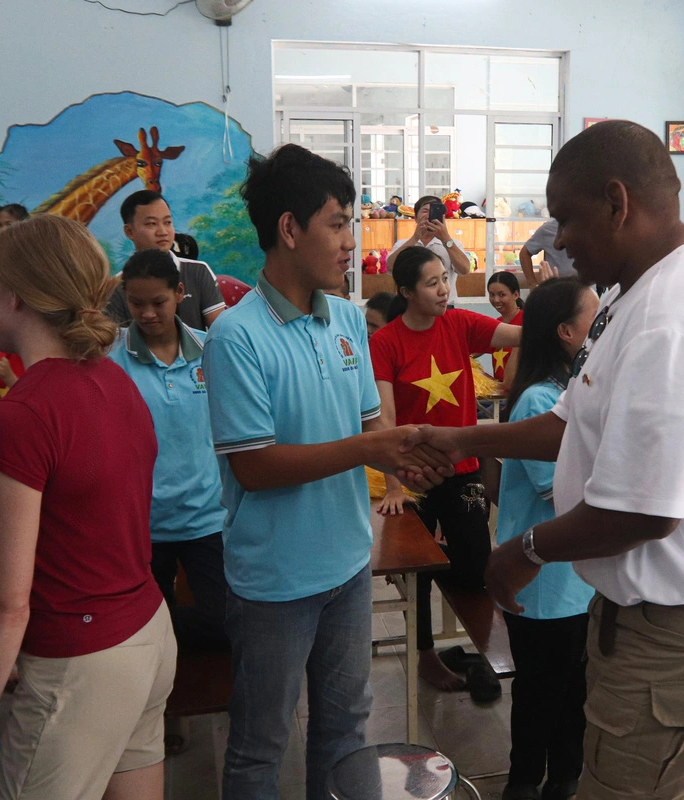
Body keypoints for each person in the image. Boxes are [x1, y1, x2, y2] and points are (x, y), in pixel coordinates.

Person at [404, 120, 684, 800]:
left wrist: (525, 548)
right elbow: (570, 423)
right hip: (654, 611)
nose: (558, 238)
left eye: (567, 218)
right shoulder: (633, 295)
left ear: (618, 203)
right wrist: (461, 438)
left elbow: (645, 511)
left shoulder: (675, 316)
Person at [201, 144, 450, 800]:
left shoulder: (344, 320)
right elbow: (254, 468)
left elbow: (369, 425)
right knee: (260, 744)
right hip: (275, 582)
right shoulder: (236, 337)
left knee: (345, 729)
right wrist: (371, 451)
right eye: (338, 224)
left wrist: (409, 461)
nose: (351, 242)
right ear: (290, 229)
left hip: (347, 564)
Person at [0, 214, 175, 800]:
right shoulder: (114, 380)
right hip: (148, 635)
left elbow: (6, 602)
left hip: (83, 662)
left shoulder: (20, 417)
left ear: (17, 298)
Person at [370, 246, 521, 691]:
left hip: (462, 471)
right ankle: (426, 655)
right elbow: (385, 418)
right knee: (416, 569)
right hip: (414, 479)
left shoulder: (458, 324)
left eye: (445, 279)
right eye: (433, 282)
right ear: (406, 292)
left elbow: (517, 336)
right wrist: (395, 484)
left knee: (475, 570)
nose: (444, 289)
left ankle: (475, 640)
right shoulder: (386, 342)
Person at [496, 277, 598, 800]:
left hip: (571, 580)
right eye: (594, 322)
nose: (604, 330)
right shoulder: (540, 397)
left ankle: (563, 777)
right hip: (541, 581)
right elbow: (556, 489)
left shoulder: (573, 390)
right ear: (564, 333)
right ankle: (524, 782)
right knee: (542, 692)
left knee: (570, 689)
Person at [108, 248, 229, 651]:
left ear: (180, 293)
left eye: (157, 302)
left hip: (207, 519)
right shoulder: (110, 361)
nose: (146, 313)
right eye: (136, 303)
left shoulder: (213, 349)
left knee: (223, 623)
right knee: (137, 630)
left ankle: (162, 648)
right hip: (141, 526)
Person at [106, 190, 226, 330]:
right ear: (129, 232)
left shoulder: (198, 271)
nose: (162, 231)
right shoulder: (116, 286)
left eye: (168, 222)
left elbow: (220, 332)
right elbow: (117, 342)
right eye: (152, 224)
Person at [388, 195, 472, 306]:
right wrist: (415, 238)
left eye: (434, 212)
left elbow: (464, 270)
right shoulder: (402, 244)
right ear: (416, 218)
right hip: (411, 309)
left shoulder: (453, 244)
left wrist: (445, 238)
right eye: (425, 211)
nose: (429, 215)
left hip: (444, 307)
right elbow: (390, 267)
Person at [487, 270, 524, 385]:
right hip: (498, 396)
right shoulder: (495, 324)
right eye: (492, 295)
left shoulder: (528, 320)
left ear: (516, 295)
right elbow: (473, 351)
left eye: (501, 295)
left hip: (519, 392)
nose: (496, 300)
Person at [519, 218, 577, 287]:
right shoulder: (548, 229)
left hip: (586, 288)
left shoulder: (590, 227)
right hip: (556, 288)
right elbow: (524, 253)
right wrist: (532, 284)